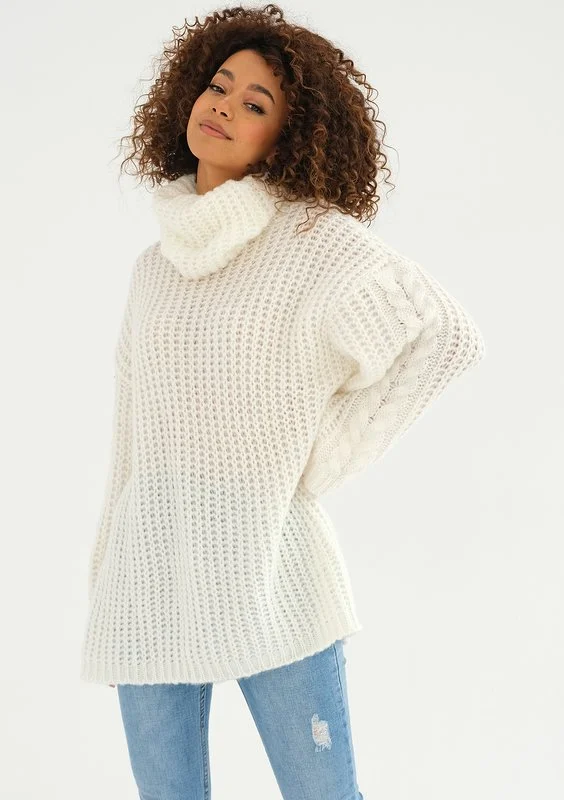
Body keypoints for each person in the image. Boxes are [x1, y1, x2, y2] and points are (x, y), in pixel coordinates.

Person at [80, 5, 486, 799]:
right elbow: (130, 435)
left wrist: (318, 458)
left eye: (255, 103)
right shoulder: (152, 271)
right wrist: (108, 576)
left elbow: (442, 334)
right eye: (218, 85)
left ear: (285, 139)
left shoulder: (310, 241)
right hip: (150, 579)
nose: (224, 106)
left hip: (272, 570)